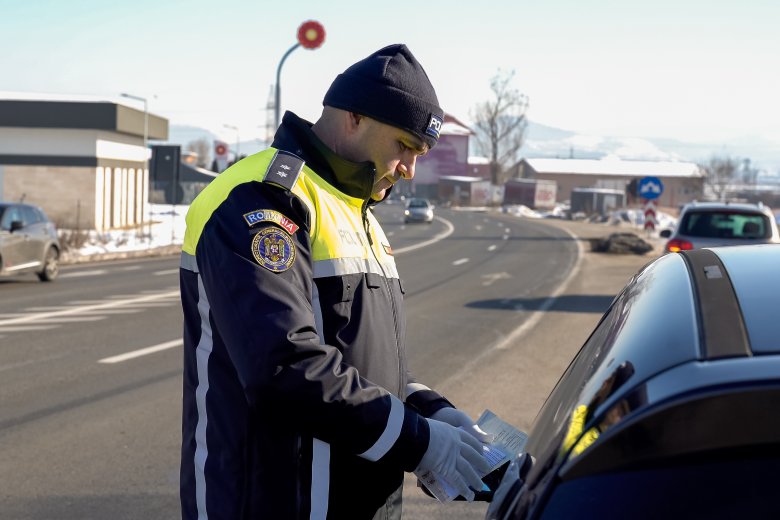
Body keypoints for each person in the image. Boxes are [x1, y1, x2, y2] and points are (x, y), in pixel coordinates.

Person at [179, 43, 491, 520]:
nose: (410, 168)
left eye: (420, 152)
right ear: (355, 117)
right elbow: (283, 369)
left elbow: (365, 369)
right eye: (404, 145)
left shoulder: (356, 208)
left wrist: (434, 412)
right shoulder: (264, 199)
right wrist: (418, 441)